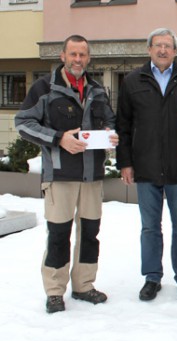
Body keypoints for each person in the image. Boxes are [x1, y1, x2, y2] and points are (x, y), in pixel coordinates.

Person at [15, 35, 118, 313]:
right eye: (73, 54)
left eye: (82, 55)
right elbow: (23, 123)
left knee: (90, 234)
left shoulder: (97, 89)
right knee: (59, 234)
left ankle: (84, 285)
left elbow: (109, 120)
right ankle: (54, 291)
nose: (78, 60)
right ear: (62, 56)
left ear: (88, 58)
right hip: (60, 176)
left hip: (91, 176)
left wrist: (110, 133)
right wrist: (58, 138)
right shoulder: (44, 88)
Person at [116, 28, 177, 302]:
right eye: (158, 45)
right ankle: (152, 277)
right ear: (149, 50)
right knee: (150, 227)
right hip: (145, 166)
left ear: (176, 51)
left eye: (168, 46)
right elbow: (124, 126)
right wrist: (125, 162)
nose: (163, 50)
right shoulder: (132, 81)